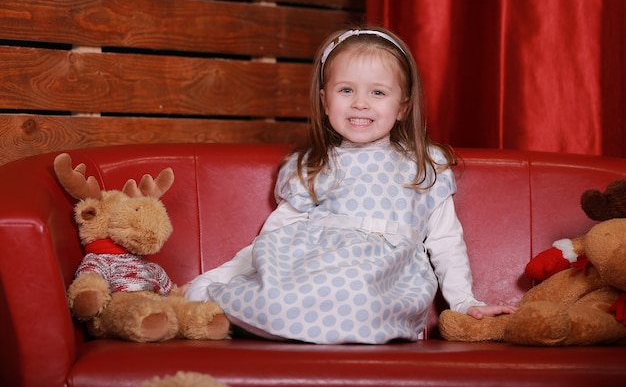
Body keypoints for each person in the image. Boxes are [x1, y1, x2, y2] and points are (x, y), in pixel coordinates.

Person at [185, 26, 516, 344]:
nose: (361, 102)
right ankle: (221, 304)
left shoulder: (424, 166)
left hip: (386, 284)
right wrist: (219, 277)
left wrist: (463, 301)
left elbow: (446, 242)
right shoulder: (315, 165)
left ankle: (311, 322)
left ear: (403, 106)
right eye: (346, 90)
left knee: (361, 297)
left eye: (377, 92)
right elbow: (275, 240)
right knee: (277, 298)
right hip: (316, 274)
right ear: (325, 101)